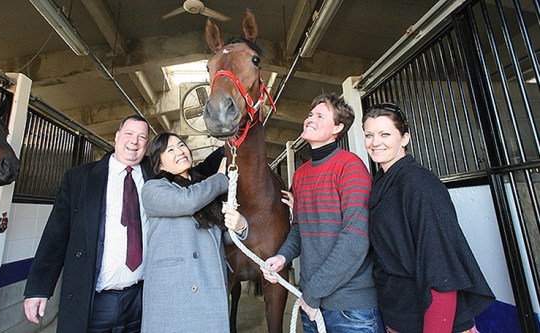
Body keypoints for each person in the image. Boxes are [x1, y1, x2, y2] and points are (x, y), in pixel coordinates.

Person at [23, 115, 223, 332]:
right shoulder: (80, 178)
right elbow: (56, 233)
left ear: (147, 145)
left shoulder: (156, 175)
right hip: (95, 299)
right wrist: (39, 288)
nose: (134, 141)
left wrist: (229, 146)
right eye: (129, 134)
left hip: (143, 297)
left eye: (141, 137)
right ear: (117, 136)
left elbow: (195, 169)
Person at [362, 103, 495, 333]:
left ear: (405, 138)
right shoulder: (381, 182)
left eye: (385, 134)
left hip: (434, 320)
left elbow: (441, 271)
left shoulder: (418, 183)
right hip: (401, 315)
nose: (375, 142)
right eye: (369, 135)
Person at [261, 93, 384, 333]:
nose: (309, 119)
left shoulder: (350, 167)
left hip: (350, 310)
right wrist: (282, 257)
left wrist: (312, 293)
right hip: (312, 303)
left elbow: (355, 239)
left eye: (320, 116)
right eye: (309, 115)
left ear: (337, 128)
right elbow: (299, 229)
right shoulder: (301, 174)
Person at [139, 132, 248, 333]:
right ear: (159, 164)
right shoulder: (153, 189)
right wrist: (220, 179)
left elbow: (218, 236)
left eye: (181, 145)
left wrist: (241, 227)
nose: (180, 151)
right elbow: (187, 201)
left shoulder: (204, 189)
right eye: (170, 150)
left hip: (209, 281)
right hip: (173, 290)